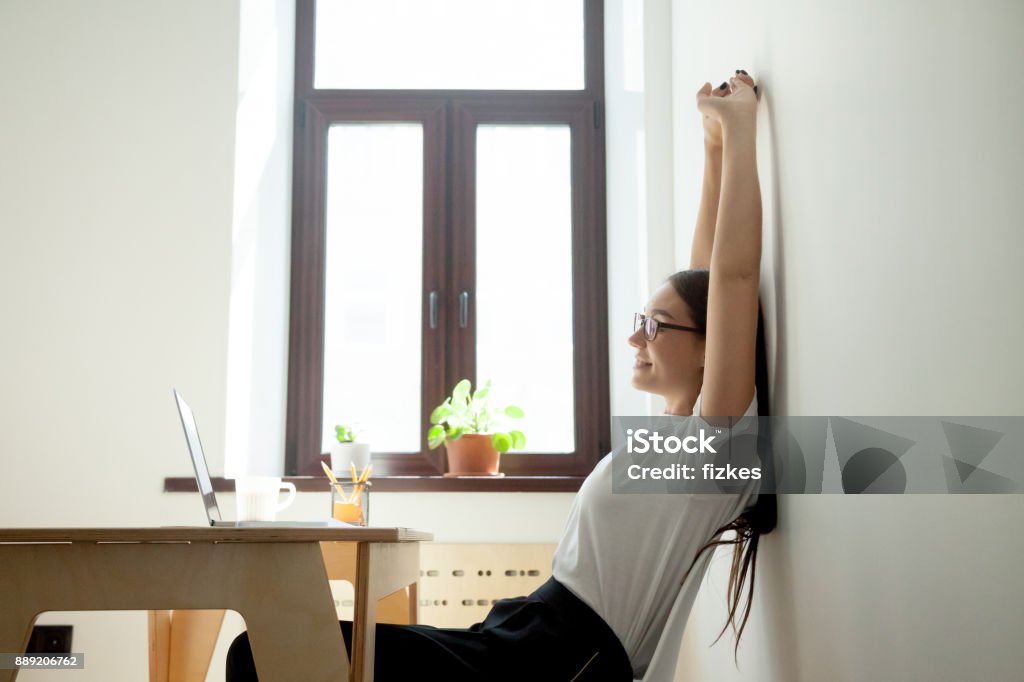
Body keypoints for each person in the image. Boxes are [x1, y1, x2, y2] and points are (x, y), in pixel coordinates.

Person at [226, 70, 774, 682]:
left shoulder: (716, 445)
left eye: (654, 327)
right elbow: (702, 280)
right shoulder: (671, 442)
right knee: (270, 647)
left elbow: (731, 281)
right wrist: (713, 148)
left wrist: (741, 126)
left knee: (266, 651)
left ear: (709, 349)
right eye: (640, 321)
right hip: (522, 636)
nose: (635, 338)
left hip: (554, 660)